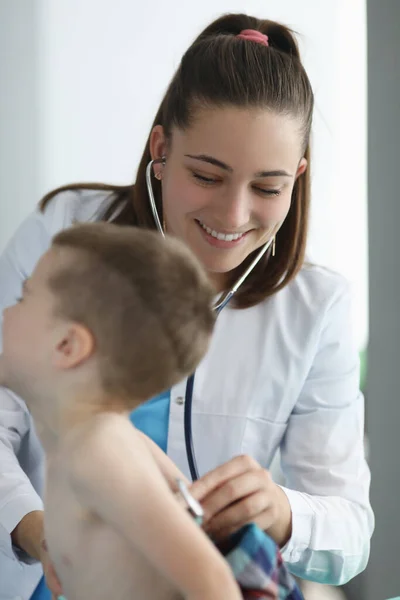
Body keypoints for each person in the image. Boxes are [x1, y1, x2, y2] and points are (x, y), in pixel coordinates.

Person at [0, 12, 374, 599]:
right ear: (162, 149)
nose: (232, 216)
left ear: (297, 179)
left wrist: (282, 512)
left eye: (268, 188)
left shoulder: (317, 306)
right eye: (207, 175)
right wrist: (40, 531)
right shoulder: (64, 240)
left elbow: (349, 535)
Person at [0, 221, 245, 600]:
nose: (6, 313)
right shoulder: (99, 440)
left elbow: (214, 579)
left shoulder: (98, 451)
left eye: (23, 298)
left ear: (67, 346)